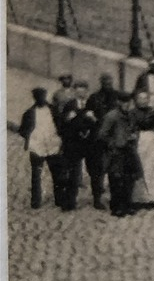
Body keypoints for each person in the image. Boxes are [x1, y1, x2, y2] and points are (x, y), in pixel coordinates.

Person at [57, 79, 99, 212]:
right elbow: (61, 126)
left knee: (95, 173)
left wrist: (94, 119)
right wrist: (68, 119)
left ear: (87, 92)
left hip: (90, 144)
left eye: (84, 91)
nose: (81, 94)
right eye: (78, 91)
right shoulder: (69, 105)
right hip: (74, 145)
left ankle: (97, 200)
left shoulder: (94, 104)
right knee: (74, 173)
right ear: (75, 92)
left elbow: (102, 123)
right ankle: (70, 201)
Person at [97, 90, 141, 218]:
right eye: (124, 102)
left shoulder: (131, 115)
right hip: (116, 153)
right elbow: (102, 135)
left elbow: (135, 129)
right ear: (118, 102)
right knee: (116, 180)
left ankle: (127, 205)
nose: (127, 104)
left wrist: (134, 136)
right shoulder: (111, 116)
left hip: (129, 151)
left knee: (129, 179)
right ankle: (116, 207)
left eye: (129, 102)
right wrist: (114, 143)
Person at [19, 86, 65, 209]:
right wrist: (32, 137)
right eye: (38, 97)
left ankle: (59, 199)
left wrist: (58, 138)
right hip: (37, 147)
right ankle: (36, 201)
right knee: (36, 175)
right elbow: (22, 130)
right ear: (35, 98)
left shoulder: (53, 110)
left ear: (45, 97)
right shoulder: (29, 113)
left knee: (56, 173)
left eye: (42, 96)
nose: (40, 99)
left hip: (52, 145)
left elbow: (61, 125)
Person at [82, 75, 117, 209]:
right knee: (97, 171)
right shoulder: (94, 98)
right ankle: (97, 198)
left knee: (114, 169)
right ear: (101, 83)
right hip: (98, 139)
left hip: (113, 138)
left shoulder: (116, 97)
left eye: (110, 82)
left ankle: (114, 197)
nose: (108, 84)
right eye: (105, 82)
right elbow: (88, 115)